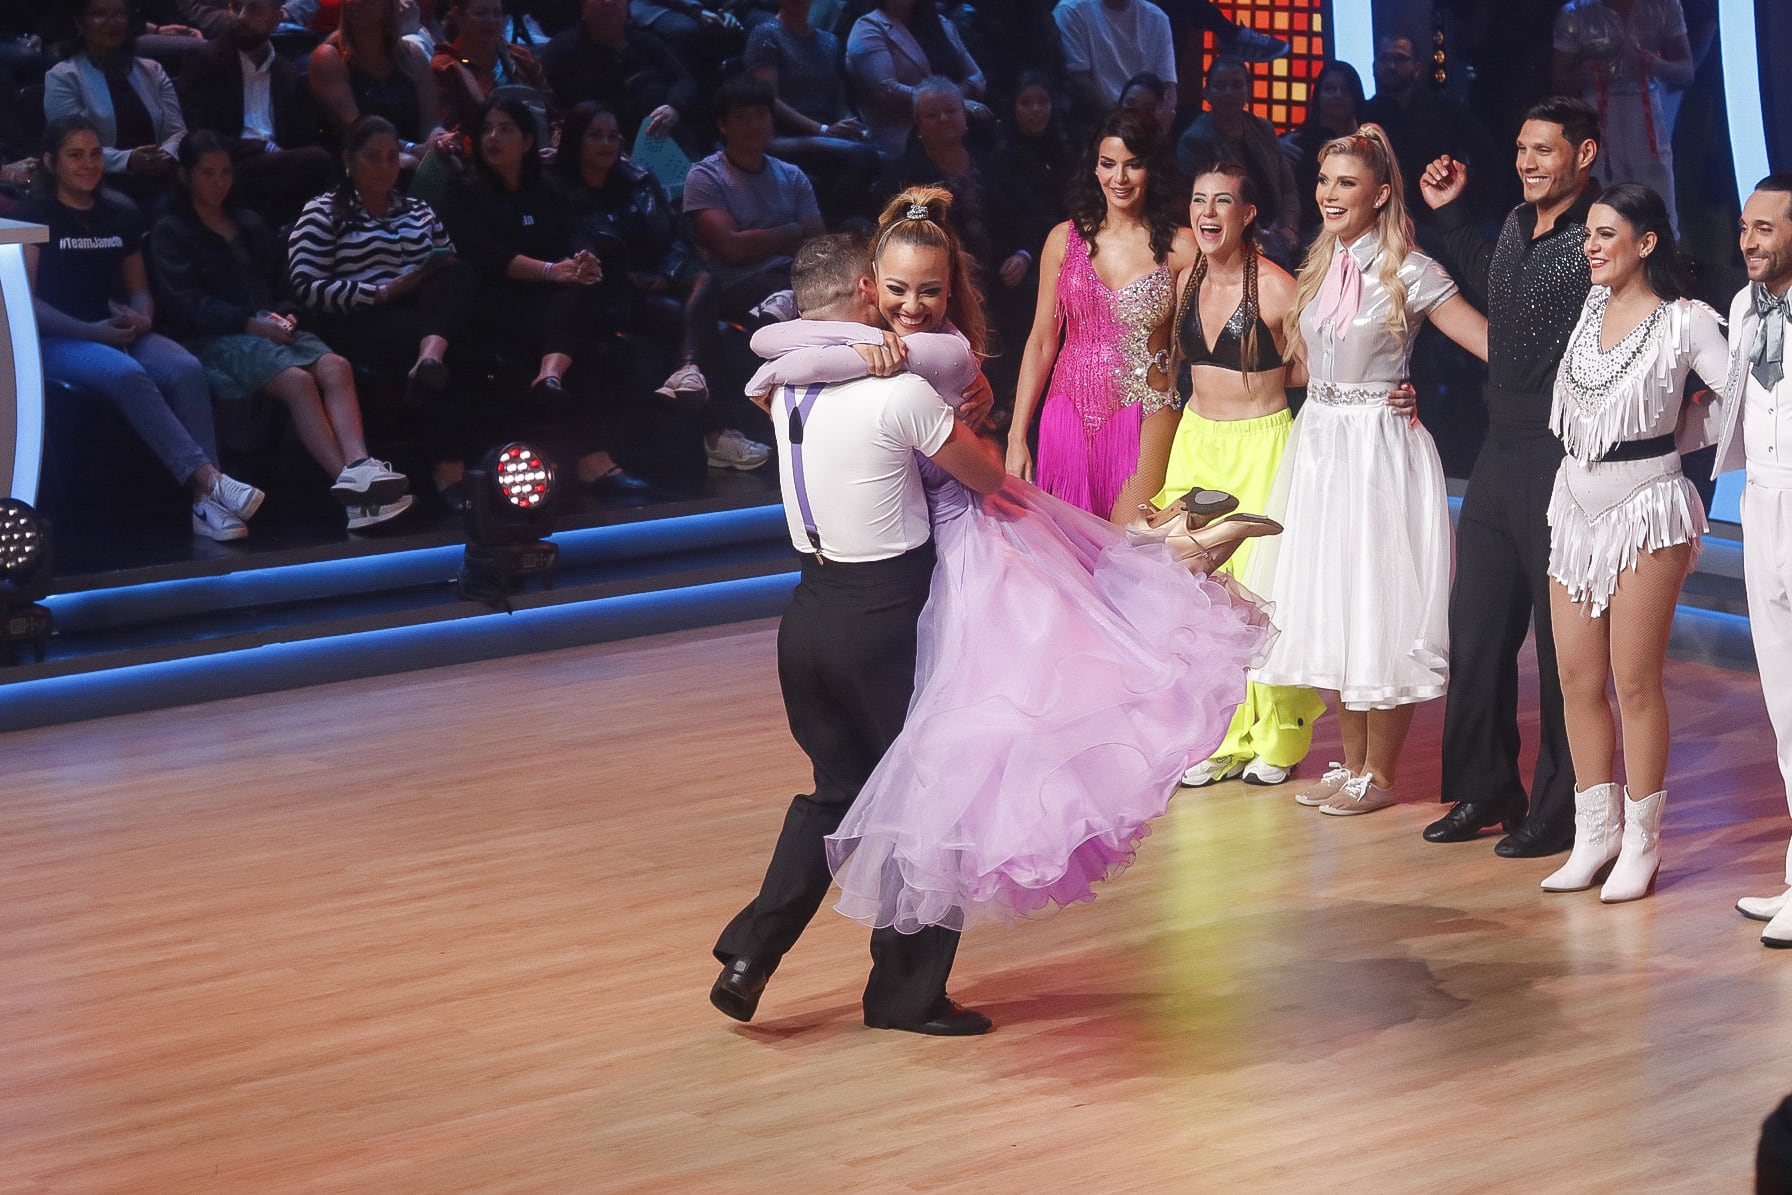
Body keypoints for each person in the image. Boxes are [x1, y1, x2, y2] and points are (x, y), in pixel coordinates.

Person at [742, 192, 1275, 940]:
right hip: (907, 565)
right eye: (898, 290)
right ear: (869, 287)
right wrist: (849, 354)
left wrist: (838, 359)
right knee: (932, 769)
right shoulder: (875, 356)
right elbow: (771, 350)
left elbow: (784, 357)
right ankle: (1185, 539)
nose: (913, 307)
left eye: (930, 291)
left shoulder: (935, 355)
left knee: (965, 748)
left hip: (967, 541)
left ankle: (1189, 545)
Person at [707, 232, 1008, 1038]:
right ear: (868, 292)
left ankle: (750, 954)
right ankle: (905, 996)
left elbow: (779, 353)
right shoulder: (900, 392)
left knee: (835, 794)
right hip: (884, 618)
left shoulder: (783, 389)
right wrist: (973, 414)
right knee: (928, 799)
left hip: (807, 618)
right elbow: (989, 478)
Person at [1246, 124, 1489, 817]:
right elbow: (1307, 364)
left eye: (1346, 183)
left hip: (1378, 448)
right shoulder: (1320, 265)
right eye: (1325, 181)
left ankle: (1379, 774)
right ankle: (1351, 765)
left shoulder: (1412, 271)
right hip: (1320, 446)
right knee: (1331, 599)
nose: (1329, 194)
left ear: (1380, 194)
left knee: (1378, 602)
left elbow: (1486, 342)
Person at [1414, 97, 1601, 857]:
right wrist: (1452, 216)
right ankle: (1487, 788)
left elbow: (1658, 300)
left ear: (1584, 155)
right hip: (1501, 447)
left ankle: (1564, 807)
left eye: (1543, 150)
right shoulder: (1520, 225)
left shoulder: (1603, 232)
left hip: (1564, 452)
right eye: (1522, 148)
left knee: (1561, 645)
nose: (1527, 162)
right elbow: (1501, 300)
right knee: (1478, 627)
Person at [1533, 183, 1727, 902]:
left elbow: (1743, 396)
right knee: (1575, 677)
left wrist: (1685, 432)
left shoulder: (1685, 321)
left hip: (1648, 505)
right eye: (1588, 233)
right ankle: (1597, 834)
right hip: (1574, 502)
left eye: (1605, 234)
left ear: (1645, 243)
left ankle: (1643, 842)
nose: (1590, 246)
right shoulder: (1588, 308)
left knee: (1635, 681)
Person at [1154, 164, 1325, 790]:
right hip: (1196, 442)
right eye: (1198, 199)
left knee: (1260, 594)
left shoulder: (1278, 289)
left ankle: (1279, 736)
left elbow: (1316, 368)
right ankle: (1219, 737)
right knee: (1198, 593)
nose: (1207, 212)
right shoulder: (1185, 279)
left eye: (1221, 201)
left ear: (1247, 213)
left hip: (1261, 444)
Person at [18, 117, 264, 542]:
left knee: (186, 368)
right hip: (60, 337)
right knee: (128, 373)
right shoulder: (32, 215)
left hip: (118, 329)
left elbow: (139, 290)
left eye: (95, 153)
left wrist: (142, 318)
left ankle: (204, 505)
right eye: (75, 155)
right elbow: (26, 303)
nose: (88, 164)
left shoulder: (120, 211)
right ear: (51, 162)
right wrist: (92, 331)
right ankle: (212, 480)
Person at [151, 132, 413, 530]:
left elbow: (282, 283)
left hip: (270, 327)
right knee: (297, 381)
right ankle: (353, 493)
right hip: (217, 337)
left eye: (225, 173)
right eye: (208, 173)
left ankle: (360, 467)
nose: (219, 182)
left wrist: (286, 313)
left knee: (336, 366)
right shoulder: (171, 231)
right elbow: (188, 305)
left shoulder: (248, 222)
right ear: (185, 176)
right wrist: (248, 322)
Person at [1005, 109, 1197, 523]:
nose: (1119, 178)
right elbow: (1041, 341)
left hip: (1148, 410)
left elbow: (1201, 339)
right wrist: (1017, 434)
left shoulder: (1183, 247)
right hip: (1067, 415)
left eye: (1133, 165)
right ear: (1094, 168)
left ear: (1151, 168)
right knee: (1070, 547)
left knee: (1130, 543)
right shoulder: (1063, 240)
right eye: (1108, 164)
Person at [287, 115, 477, 498]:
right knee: (452, 345)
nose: (385, 166)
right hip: (363, 315)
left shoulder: (418, 209)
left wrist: (424, 275)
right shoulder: (323, 211)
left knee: (459, 274)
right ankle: (449, 471)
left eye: (392, 157)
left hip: (423, 310)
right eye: (373, 157)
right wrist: (382, 291)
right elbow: (307, 287)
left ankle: (430, 357)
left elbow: (448, 260)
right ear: (348, 159)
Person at [1718, 174, 1792, 947]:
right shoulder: (1744, 307)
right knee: (1782, 700)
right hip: (1762, 502)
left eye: (1765, 228)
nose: (1749, 241)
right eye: (1745, 227)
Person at [682, 74, 820, 470]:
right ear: (723, 125)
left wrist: (768, 240)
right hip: (731, 286)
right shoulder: (705, 176)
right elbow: (731, 249)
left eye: (761, 115)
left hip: (793, 276)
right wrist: (789, 230)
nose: (754, 124)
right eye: (742, 116)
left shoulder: (791, 175)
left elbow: (817, 243)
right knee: (788, 286)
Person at [555, 101, 712, 432]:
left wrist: (666, 274)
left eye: (612, 136)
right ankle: (714, 430)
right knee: (691, 320)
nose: (606, 144)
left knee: (706, 281)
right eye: (595, 135)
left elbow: (675, 234)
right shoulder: (558, 190)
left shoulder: (638, 179)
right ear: (575, 139)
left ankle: (687, 370)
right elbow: (578, 251)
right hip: (612, 291)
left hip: (654, 276)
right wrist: (632, 279)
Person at [175, 0, 335, 227]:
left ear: (276, 19)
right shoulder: (205, 59)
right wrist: (262, 148)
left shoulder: (287, 73)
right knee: (317, 162)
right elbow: (200, 133)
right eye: (236, 7)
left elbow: (302, 137)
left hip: (281, 167)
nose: (241, 16)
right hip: (227, 165)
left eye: (254, 9)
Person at [1551, 0, 1692, 232]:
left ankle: (1663, 252)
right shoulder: (1576, 12)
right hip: (1598, 115)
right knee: (1605, 205)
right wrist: (1589, 75)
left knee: (1658, 206)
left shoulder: (1664, 5)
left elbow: (1686, 71)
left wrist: (1654, 64)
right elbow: (1559, 80)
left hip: (1646, 114)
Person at [745, 0, 879, 222]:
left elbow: (839, 99)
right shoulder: (766, 35)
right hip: (782, 135)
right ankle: (825, 226)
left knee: (876, 152)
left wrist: (851, 126)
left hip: (825, 133)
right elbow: (768, 100)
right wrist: (822, 129)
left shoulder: (829, 41)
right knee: (863, 156)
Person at [43, 0, 186, 197]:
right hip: (99, 183)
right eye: (100, 14)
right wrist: (129, 160)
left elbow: (177, 132)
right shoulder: (64, 77)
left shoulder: (153, 70)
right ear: (80, 23)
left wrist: (167, 154)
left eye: (119, 14)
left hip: (161, 174)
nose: (112, 22)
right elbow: (70, 148)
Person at [1176, 55, 1299, 266]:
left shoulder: (1263, 129)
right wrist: (1260, 238)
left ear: (1247, 91)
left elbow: (1288, 189)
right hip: (1231, 240)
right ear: (1207, 93)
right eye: (1220, 86)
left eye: (1236, 85)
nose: (1229, 92)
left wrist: (1288, 226)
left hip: (1278, 234)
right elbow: (1204, 206)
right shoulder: (1195, 141)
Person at [309, 0, 449, 169]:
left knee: (449, 164)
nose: (355, 3)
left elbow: (431, 122)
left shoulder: (413, 56)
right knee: (408, 164)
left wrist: (439, 140)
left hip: (413, 155)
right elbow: (356, 128)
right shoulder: (329, 57)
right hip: (358, 161)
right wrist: (412, 149)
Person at [539, 0, 698, 146]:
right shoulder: (561, 50)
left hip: (662, 139)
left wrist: (673, 107)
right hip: (599, 143)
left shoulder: (646, 42)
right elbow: (552, 104)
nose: (608, 2)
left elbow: (683, 80)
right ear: (583, 7)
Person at [846, 0, 985, 158]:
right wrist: (948, 102)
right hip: (901, 134)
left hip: (953, 125)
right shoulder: (867, 28)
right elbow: (886, 90)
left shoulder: (941, 23)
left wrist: (953, 101)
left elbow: (978, 77)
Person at [429, 0, 548, 139]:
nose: (491, 20)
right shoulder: (444, 68)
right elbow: (451, 131)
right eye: (481, 13)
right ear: (458, 16)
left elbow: (550, 110)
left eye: (497, 13)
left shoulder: (521, 58)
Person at [1283, 61, 1364, 247]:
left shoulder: (1370, 140)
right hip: (1313, 234)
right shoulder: (1298, 143)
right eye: (1329, 89)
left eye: (1345, 90)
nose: (1337, 95)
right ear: (1318, 96)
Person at [1052, 0, 1175, 120]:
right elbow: (1080, 83)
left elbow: (1168, 86)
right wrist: (1120, 122)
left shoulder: (1157, 18)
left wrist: (1163, 116)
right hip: (1094, 120)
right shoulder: (1071, 10)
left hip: (1144, 120)